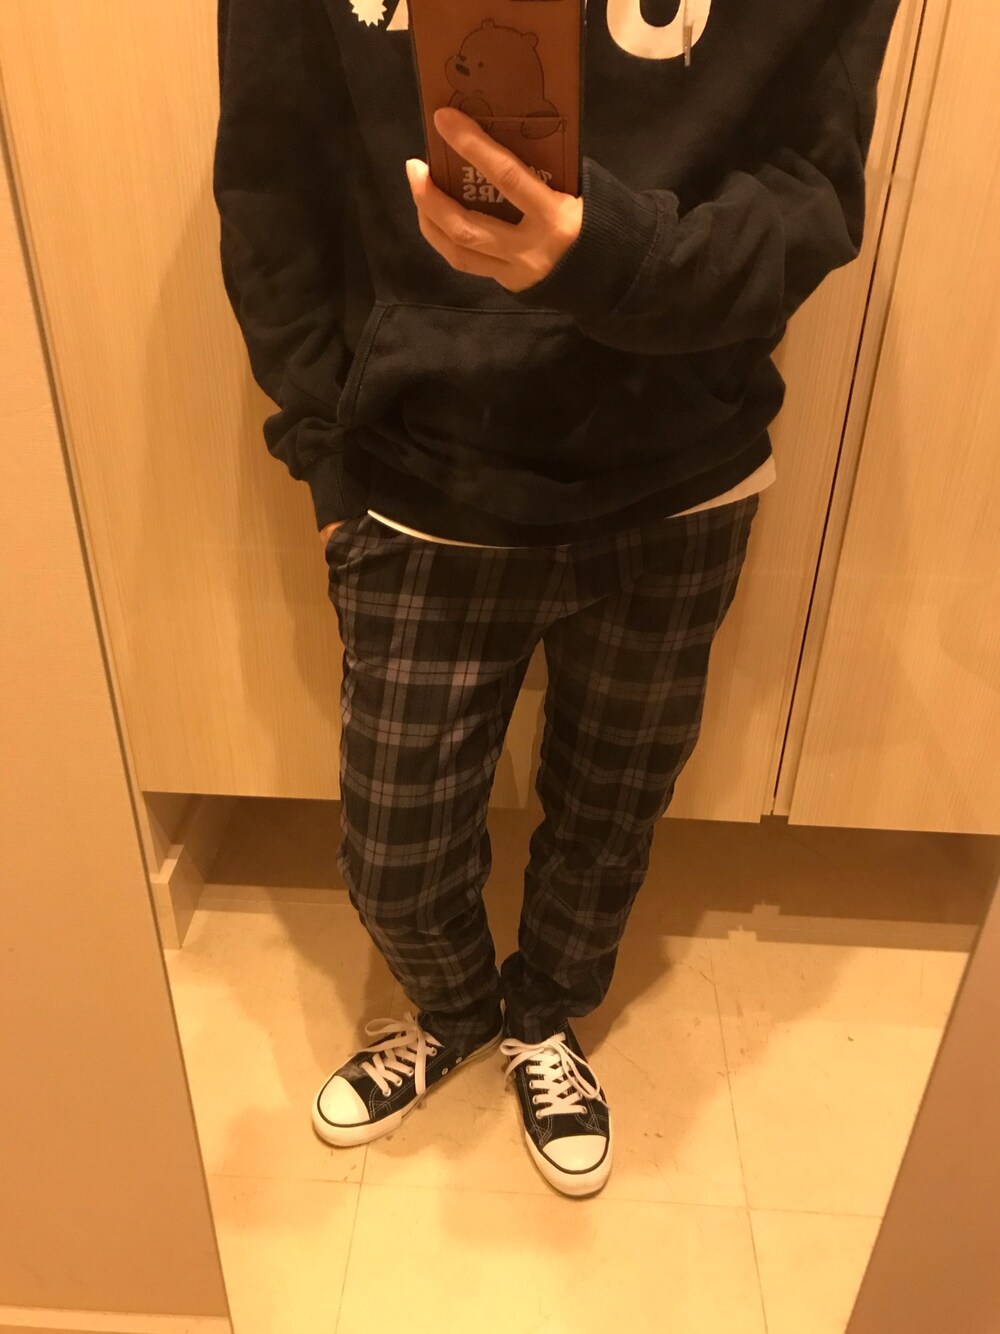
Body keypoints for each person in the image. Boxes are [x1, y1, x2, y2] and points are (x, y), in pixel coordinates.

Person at [213, 0, 900, 1197]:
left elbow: (812, 193)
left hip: (680, 479)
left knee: (609, 812)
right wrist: (325, 457)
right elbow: (272, 174)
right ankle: (454, 1010)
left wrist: (613, 257)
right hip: (420, 476)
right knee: (395, 852)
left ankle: (542, 1016)